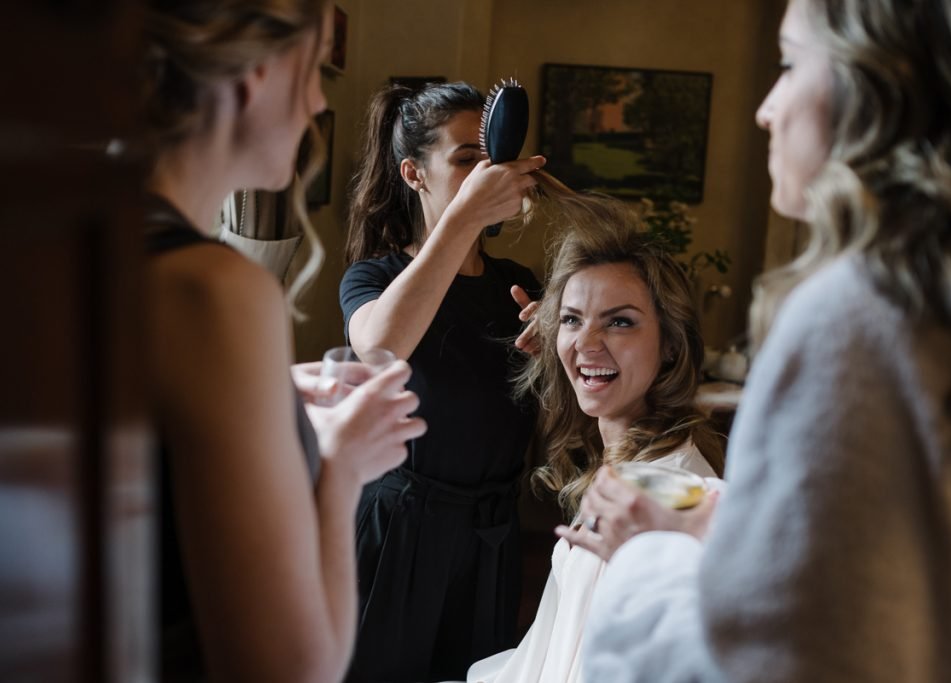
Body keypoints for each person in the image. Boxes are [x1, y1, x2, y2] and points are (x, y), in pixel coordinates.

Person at [576, 0, 951, 681]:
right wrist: (720, 532)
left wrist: (645, 553)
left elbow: (770, 662)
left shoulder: (855, 317)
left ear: (874, 86)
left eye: (788, 65)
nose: (765, 109)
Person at [142, 2, 426, 680]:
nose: (320, 102)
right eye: (316, 67)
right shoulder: (213, 291)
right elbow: (293, 669)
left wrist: (267, 396)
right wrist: (342, 467)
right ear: (256, 74)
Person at [463, 199, 723, 683]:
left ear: (671, 343)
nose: (586, 342)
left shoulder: (664, 497)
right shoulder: (625, 464)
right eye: (572, 319)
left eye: (619, 321)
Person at [340, 82, 546, 682]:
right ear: (414, 174)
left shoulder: (519, 285)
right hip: (400, 529)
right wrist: (466, 217)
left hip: (493, 533)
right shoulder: (374, 277)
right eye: (464, 160)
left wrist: (558, 350)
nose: (485, 173)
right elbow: (382, 346)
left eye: (490, 158)